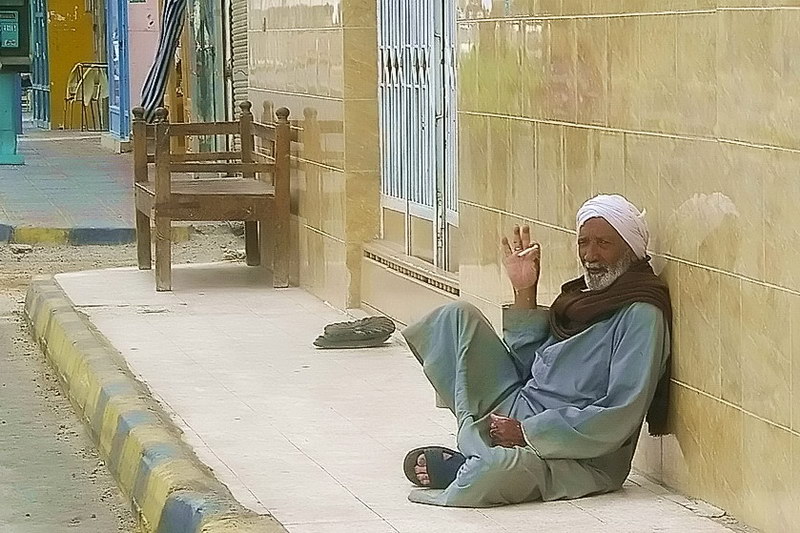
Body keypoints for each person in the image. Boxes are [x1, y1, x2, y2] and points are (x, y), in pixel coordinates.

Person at [401, 194, 672, 507]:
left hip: (574, 454)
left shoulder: (641, 313)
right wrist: (524, 290)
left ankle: (475, 458)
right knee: (454, 318)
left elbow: (620, 413)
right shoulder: (582, 297)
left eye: (603, 243)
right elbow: (528, 365)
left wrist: (527, 433)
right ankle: (478, 446)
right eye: (584, 242)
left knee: (494, 472)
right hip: (521, 409)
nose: (590, 255)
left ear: (630, 248)